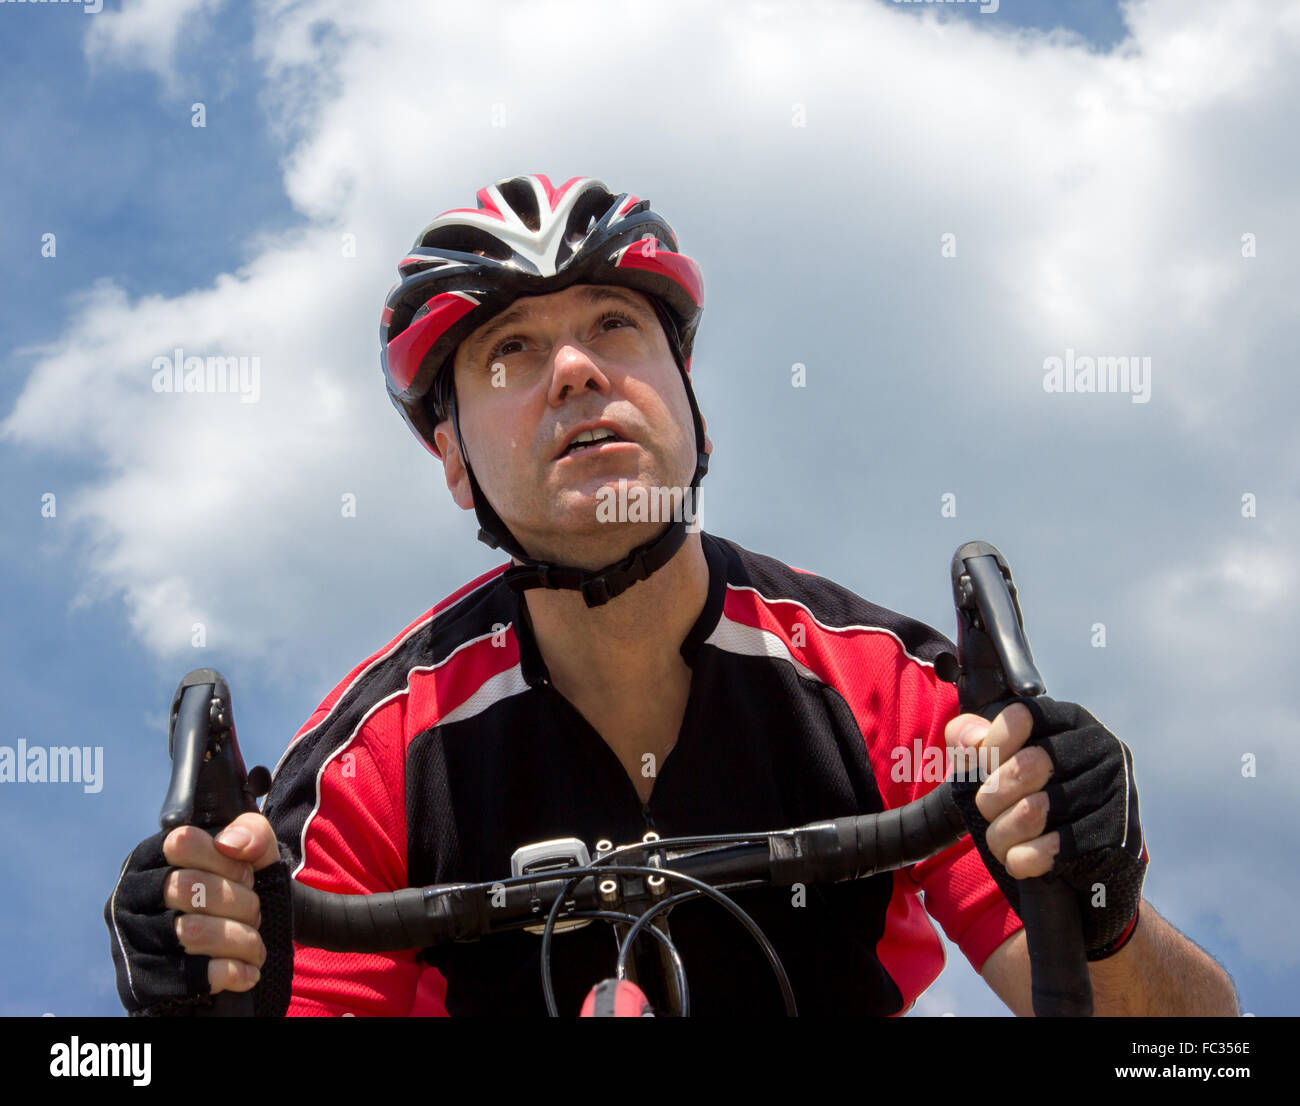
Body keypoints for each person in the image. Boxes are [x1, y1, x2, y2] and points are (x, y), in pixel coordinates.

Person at [106, 173, 1239, 1017]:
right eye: (509, 352)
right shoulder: (369, 764)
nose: (576, 370)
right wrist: (186, 1011)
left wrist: (1101, 908)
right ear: (451, 459)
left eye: (615, 325)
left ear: (692, 402)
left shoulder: (890, 688)